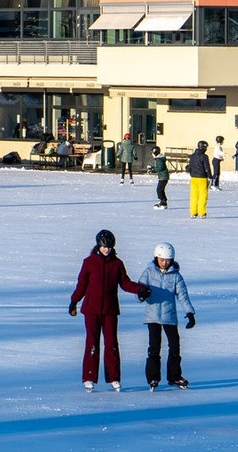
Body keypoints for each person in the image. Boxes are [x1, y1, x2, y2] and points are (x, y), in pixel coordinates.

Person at [69, 229, 145, 392]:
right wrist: (74, 300)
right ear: (98, 245)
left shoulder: (117, 264)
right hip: (91, 309)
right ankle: (89, 377)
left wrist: (140, 289)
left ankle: (114, 378)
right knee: (92, 342)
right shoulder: (89, 262)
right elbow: (81, 285)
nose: (106, 250)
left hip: (110, 310)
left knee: (111, 343)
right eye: (104, 247)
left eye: (109, 247)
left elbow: (125, 283)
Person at [135, 241, 195, 391]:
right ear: (156, 258)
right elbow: (138, 291)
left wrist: (190, 312)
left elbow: (182, 295)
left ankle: (174, 377)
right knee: (154, 347)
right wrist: (142, 295)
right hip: (153, 316)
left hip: (170, 316)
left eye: (168, 260)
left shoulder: (176, 276)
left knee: (175, 346)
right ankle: (153, 377)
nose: (164, 263)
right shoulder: (148, 272)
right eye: (162, 260)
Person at [186, 140, 211, 218]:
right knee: (203, 196)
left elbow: (189, 167)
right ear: (203, 147)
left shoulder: (192, 156)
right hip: (202, 178)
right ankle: (202, 212)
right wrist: (210, 176)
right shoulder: (204, 156)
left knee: (194, 196)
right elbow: (207, 167)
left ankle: (193, 212)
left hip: (193, 178)